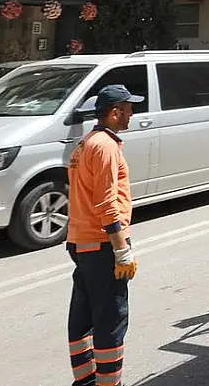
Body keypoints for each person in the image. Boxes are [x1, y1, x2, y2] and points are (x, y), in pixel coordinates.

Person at [66, 84, 142, 386]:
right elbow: (106, 201)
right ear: (114, 112)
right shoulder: (106, 147)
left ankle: (84, 381)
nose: (132, 114)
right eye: (128, 109)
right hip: (101, 245)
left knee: (83, 319)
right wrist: (121, 248)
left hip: (80, 242)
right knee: (110, 319)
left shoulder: (86, 142)